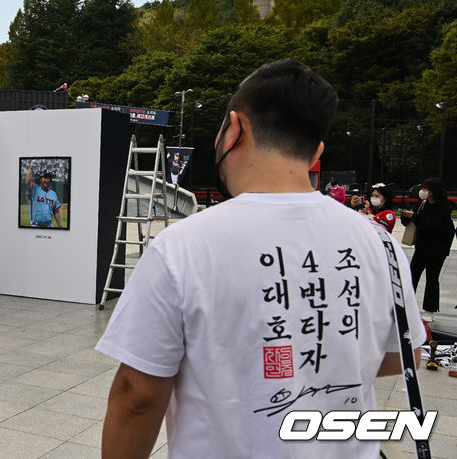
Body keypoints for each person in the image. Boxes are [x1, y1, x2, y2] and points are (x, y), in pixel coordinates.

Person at [95, 60, 424, 459]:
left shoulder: (183, 245)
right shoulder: (379, 242)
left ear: (234, 129)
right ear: (316, 152)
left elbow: (138, 396)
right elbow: (398, 357)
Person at [399, 177, 455, 323]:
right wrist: (406, 217)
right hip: (422, 247)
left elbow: (433, 227)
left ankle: (429, 310)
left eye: (425, 189)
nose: (422, 191)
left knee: (432, 278)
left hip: (437, 249)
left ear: (433, 191)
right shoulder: (423, 204)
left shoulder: (444, 207)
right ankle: (406, 306)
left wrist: (415, 217)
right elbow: (414, 222)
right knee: (412, 275)